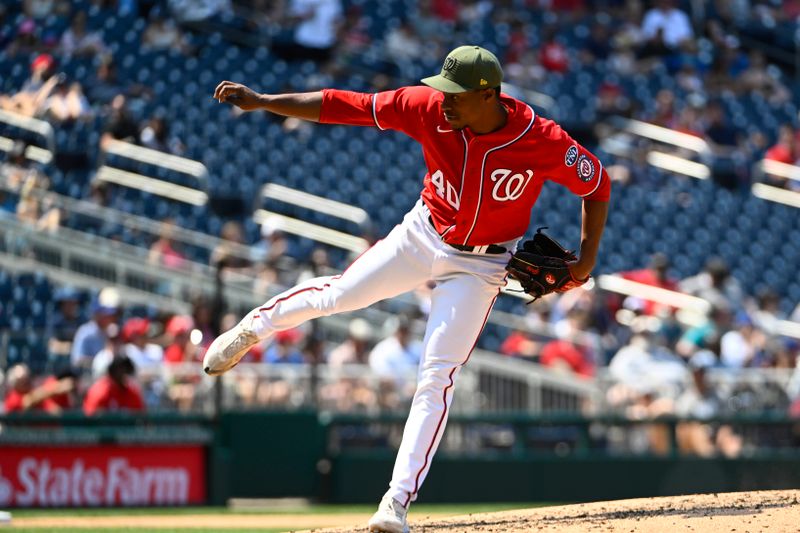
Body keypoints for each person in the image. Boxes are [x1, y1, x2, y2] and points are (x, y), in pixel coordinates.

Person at [207, 45, 610, 533]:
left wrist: (585, 263)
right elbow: (344, 104)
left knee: (437, 377)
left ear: (488, 95)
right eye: (442, 89)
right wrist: (266, 100)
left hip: (479, 267)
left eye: (455, 94)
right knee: (338, 295)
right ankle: (254, 327)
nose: (444, 100)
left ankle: (394, 504)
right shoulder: (426, 107)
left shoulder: (540, 138)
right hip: (420, 235)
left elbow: (596, 183)